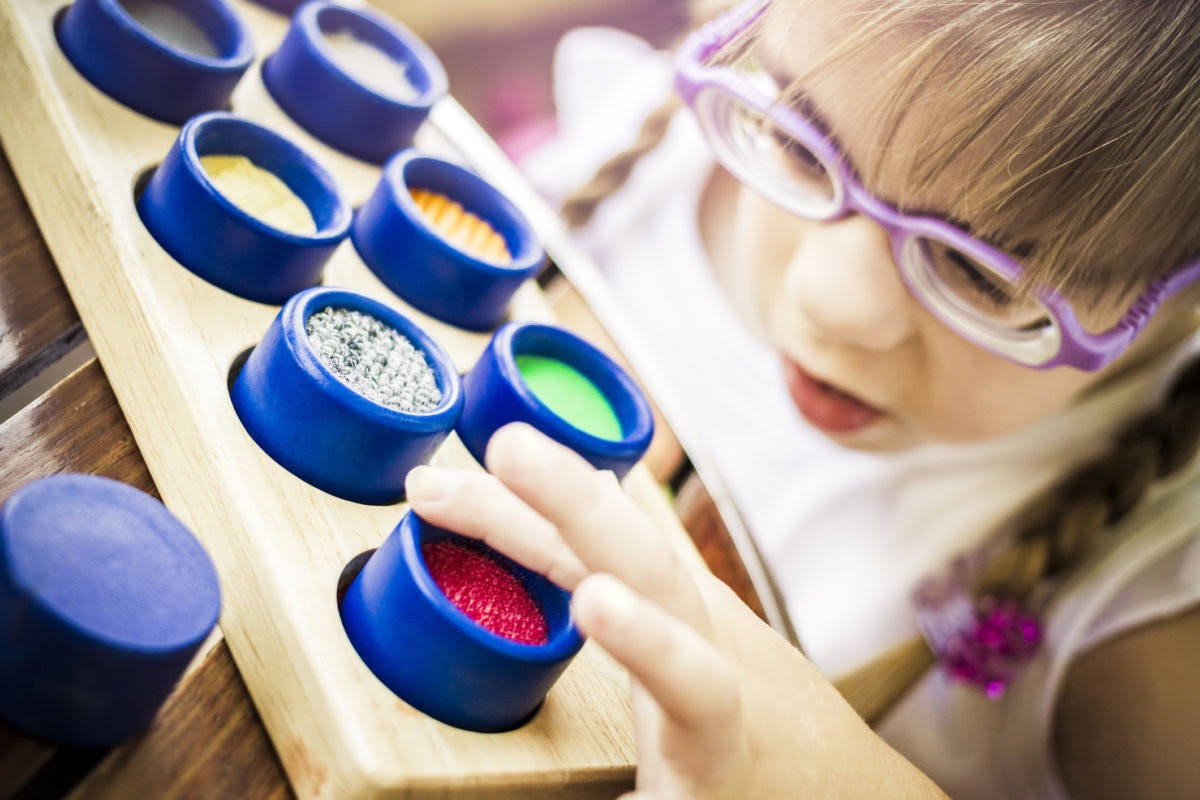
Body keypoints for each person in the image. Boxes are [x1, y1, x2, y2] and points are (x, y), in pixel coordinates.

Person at [406, 0, 1200, 797]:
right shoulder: (683, 140)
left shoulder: (1145, 648)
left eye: (982, 273)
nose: (826, 299)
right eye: (799, 142)